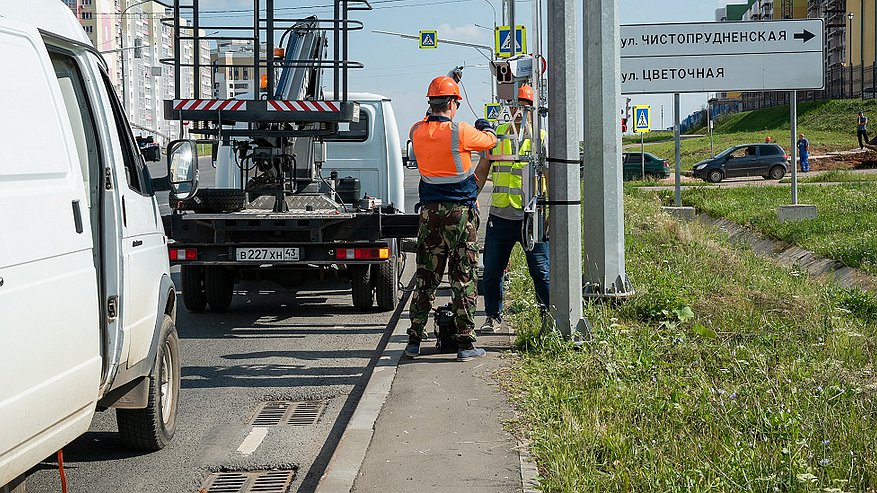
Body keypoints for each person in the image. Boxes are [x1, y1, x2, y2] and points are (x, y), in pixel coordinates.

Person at [405, 75, 498, 362]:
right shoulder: (463, 131)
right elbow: (490, 143)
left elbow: (425, 122)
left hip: (429, 214)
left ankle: (414, 341)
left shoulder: (416, 131)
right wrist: (485, 126)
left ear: (430, 103)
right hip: (460, 215)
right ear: (454, 103)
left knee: (426, 278)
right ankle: (465, 344)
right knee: (463, 277)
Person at [476, 84, 550, 334]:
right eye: (515, 105)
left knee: (541, 271)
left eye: (524, 106)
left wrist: (550, 212)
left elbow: (549, 175)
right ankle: (492, 317)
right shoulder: (495, 135)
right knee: (492, 270)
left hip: (532, 216)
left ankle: (548, 319)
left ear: (532, 108)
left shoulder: (540, 136)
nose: (518, 110)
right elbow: (482, 171)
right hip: (500, 215)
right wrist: (469, 198)